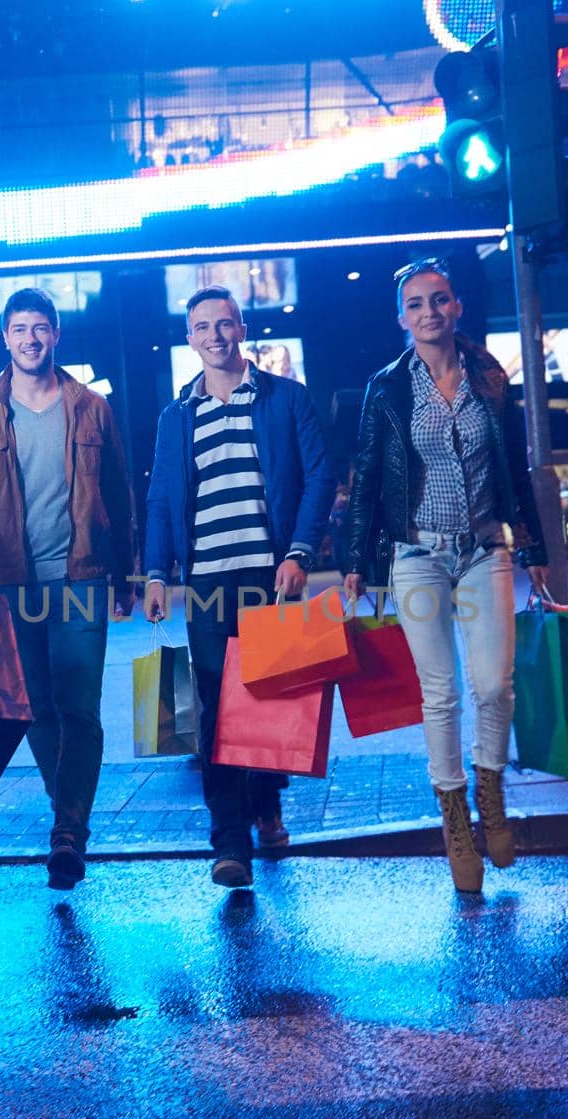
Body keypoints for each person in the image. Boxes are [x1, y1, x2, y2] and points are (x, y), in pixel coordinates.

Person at [342, 258, 550, 895]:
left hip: (487, 550)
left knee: (493, 684)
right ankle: (455, 820)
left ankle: (491, 789)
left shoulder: (489, 373)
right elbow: (368, 475)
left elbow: (516, 466)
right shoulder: (387, 387)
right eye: (416, 305)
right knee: (441, 692)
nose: (428, 313)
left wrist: (537, 547)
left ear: (456, 306)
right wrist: (354, 560)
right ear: (401, 318)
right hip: (417, 556)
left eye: (439, 300)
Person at [0, 288, 137, 891]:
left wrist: (126, 572)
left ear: (56, 335)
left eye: (40, 328)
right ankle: (69, 814)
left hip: (81, 580)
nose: (30, 338)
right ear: (5, 338)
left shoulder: (91, 407)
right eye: (19, 328)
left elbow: (120, 494)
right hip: (8, 585)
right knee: (32, 712)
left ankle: (68, 834)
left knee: (80, 708)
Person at [144, 285, 333, 888]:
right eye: (202, 327)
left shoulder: (285, 399)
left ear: (242, 329)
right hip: (205, 582)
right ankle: (230, 840)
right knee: (215, 708)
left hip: (269, 573)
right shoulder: (177, 417)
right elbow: (159, 499)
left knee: (271, 697)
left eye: (224, 324)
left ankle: (268, 803)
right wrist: (155, 571)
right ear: (190, 338)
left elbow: (320, 476)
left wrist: (300, 550)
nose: (215, 336)